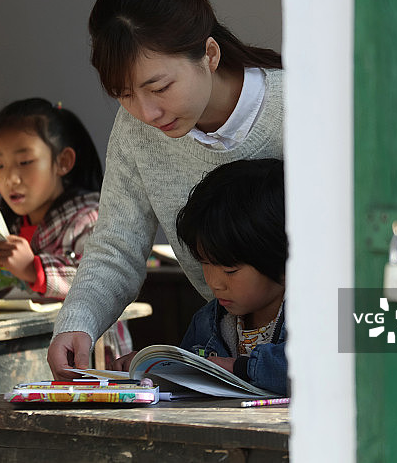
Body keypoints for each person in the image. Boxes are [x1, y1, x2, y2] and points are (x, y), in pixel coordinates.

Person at [47, 0, 284, 379]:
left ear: (210, 55)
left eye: (159, 88)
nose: (146, 113)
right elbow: (117, 245)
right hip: (228, 340)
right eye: (123, 94)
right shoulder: (136, 129)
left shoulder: (300, 110)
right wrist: (77, 322)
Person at [0, 98, 131, 360]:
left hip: (91, 359)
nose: (11, 178)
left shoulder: (89, 217)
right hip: (24, 352)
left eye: (25, 162)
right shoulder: (11, 225)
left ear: (63, 162)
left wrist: (34, 269)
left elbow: (101, 278)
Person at [112, 159, 288, 395]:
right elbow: (191, 380)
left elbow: (335, 363)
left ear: (284, 263)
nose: (214, 283)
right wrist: (154, 370)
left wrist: (241, 368)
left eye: (230, 271)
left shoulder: (320, 315)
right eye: (205, 263)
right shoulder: (208, 321)